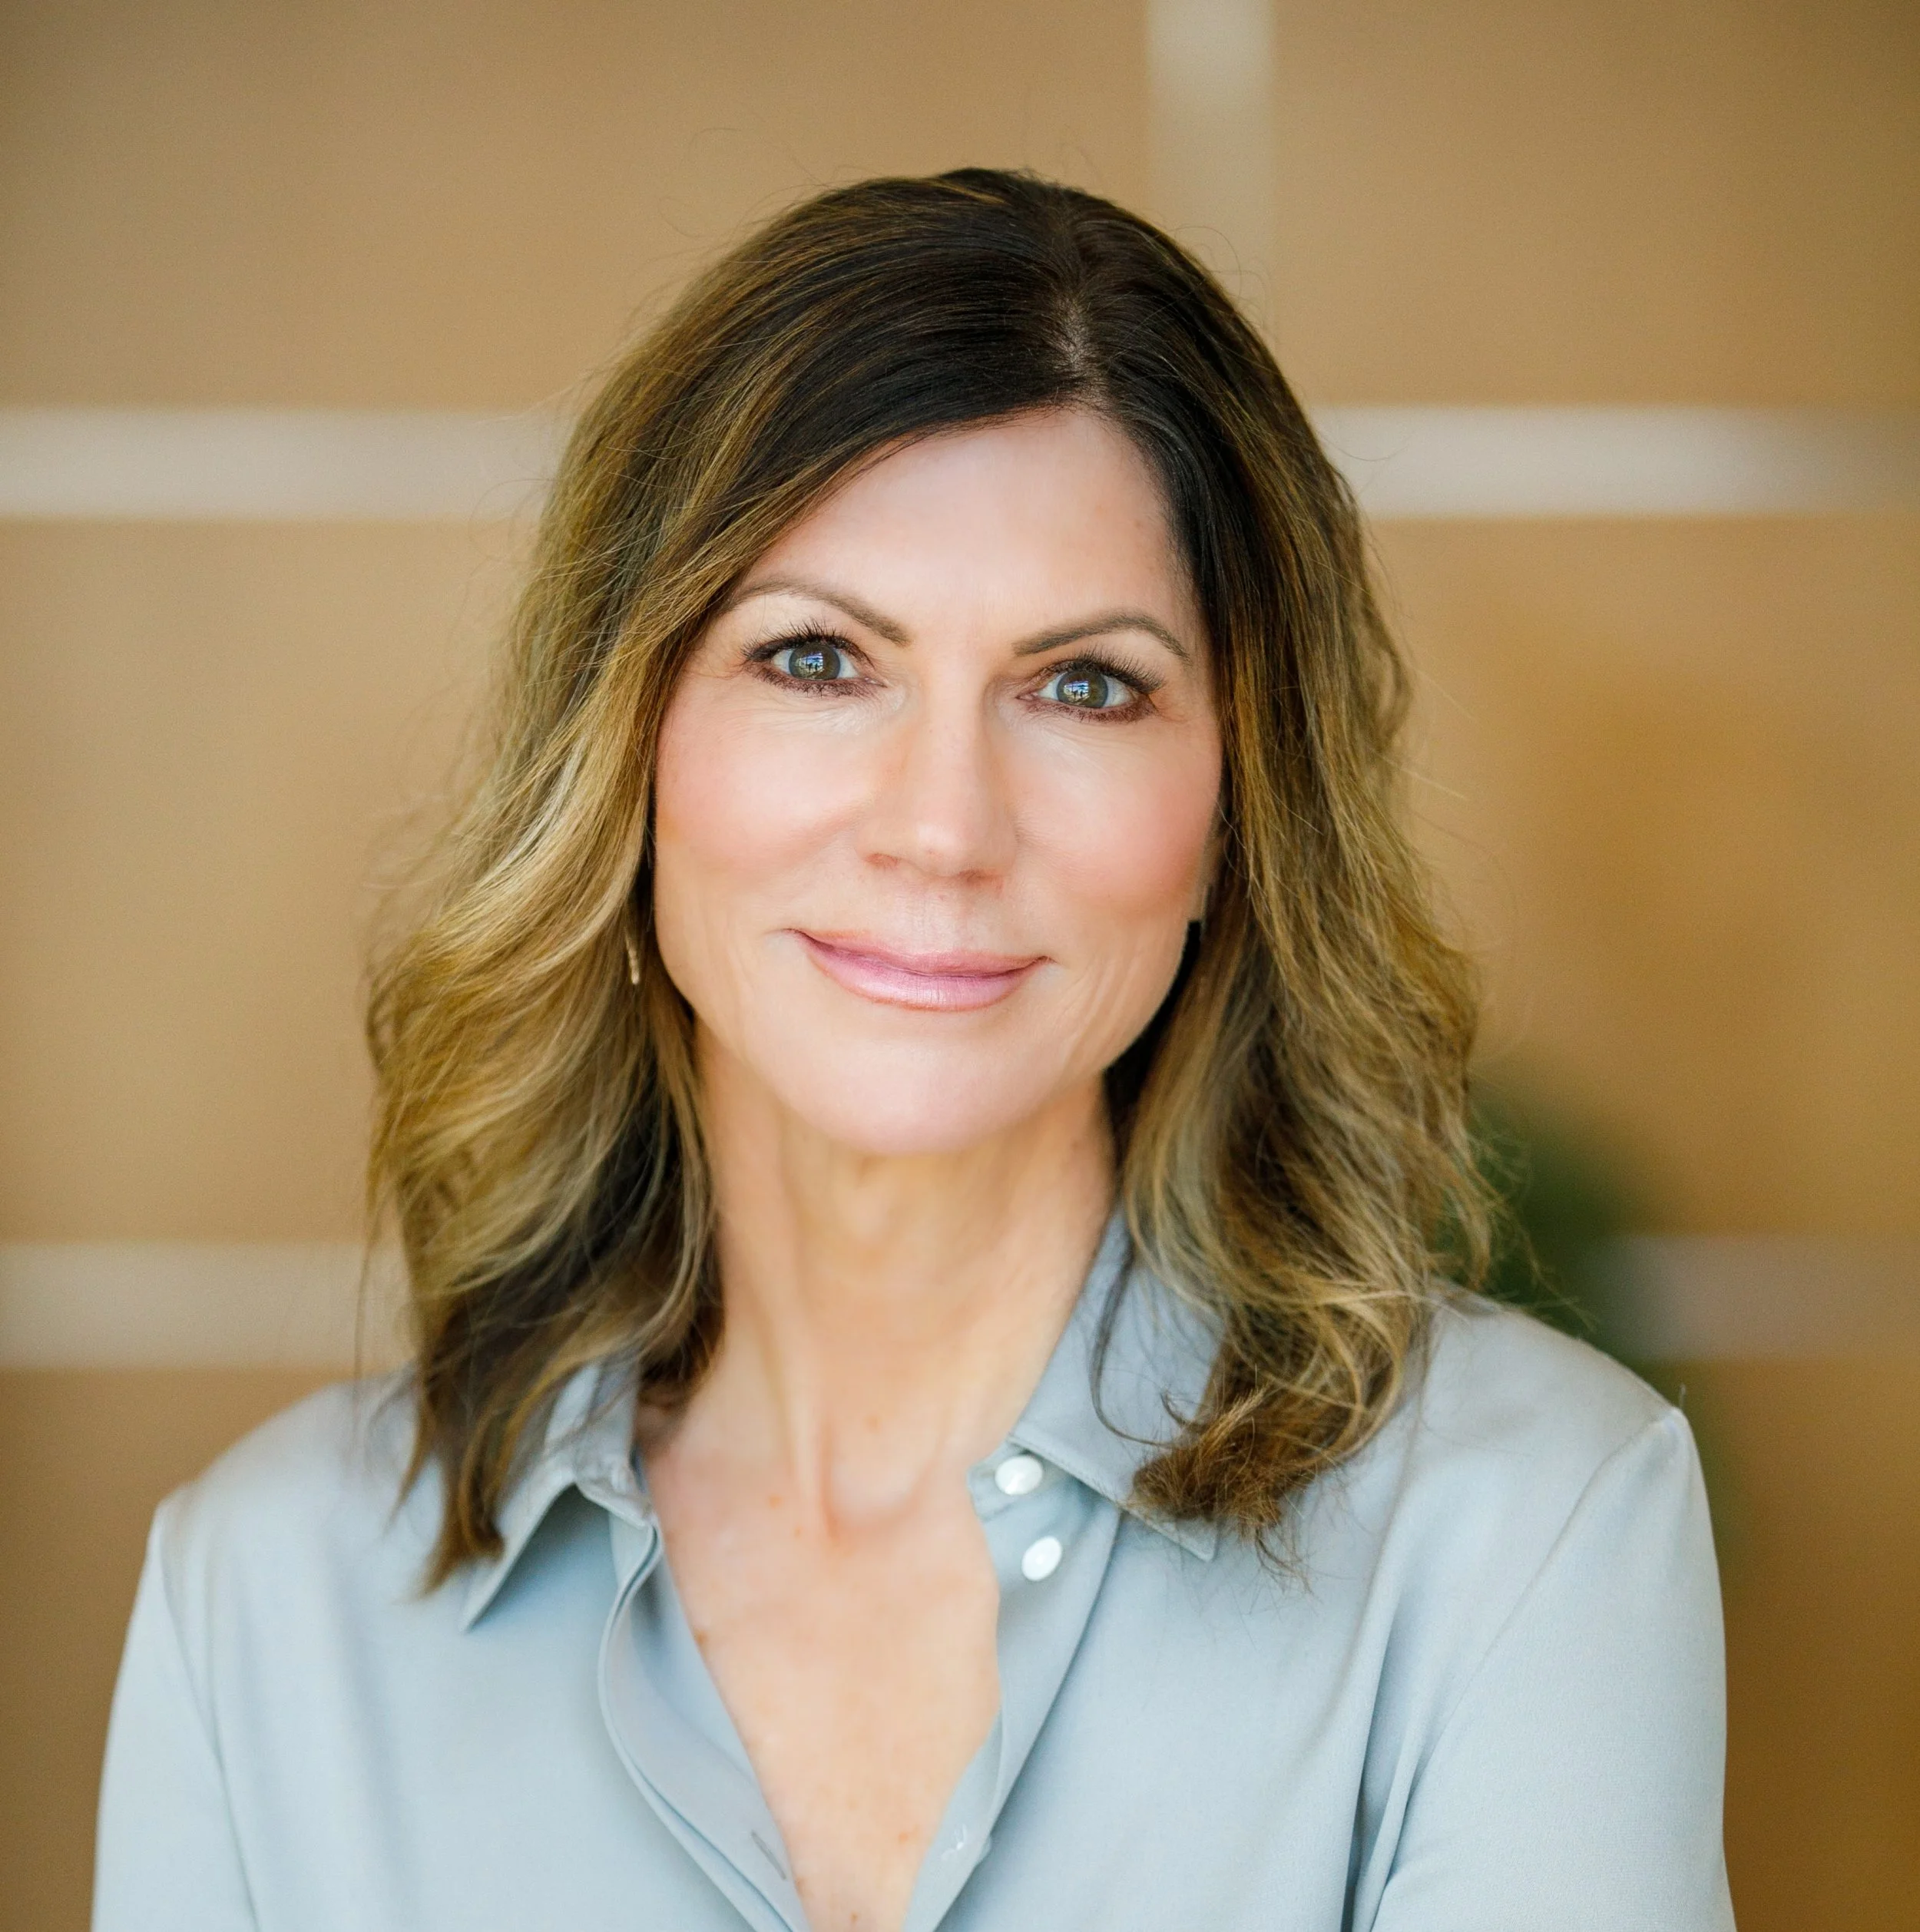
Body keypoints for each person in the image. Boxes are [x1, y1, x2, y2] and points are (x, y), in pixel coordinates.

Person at [94, 170, 1734, 1932]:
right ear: (627, 753)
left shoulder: (1523, 1536)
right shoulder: (264, 1605)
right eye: (816, 659)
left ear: (1233, 816)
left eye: (1083, 685)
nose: (941, 826)